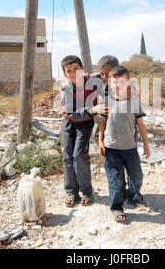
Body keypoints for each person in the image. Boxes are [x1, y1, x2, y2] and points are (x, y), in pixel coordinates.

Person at [98, 65, 151, 223]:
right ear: (109, 83)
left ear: (128, 82)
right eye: (114, 82)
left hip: (130, 148)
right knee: (116, 179)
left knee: (137, 177)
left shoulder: (134, 102)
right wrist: (100, 141)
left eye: (122, 81)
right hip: (112, 148)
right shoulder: (106, 102)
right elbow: (102, 123)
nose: (117, 85)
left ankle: (134, 195)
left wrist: (146, 145)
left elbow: (141, 124)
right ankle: (117, 208)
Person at [60, 55, 108, 207]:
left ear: (83, 69)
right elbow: (71, 113)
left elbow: (106, 76)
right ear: (65, 74)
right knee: (67, 156)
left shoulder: (94, 81)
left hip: (85, 124)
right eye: (69, 71)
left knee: (79, 155)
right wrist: (93, 109)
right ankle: (71, 192)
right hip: (69, 123)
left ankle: (86, 191)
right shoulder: (66, 89)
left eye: (76, 69)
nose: (73, 73)